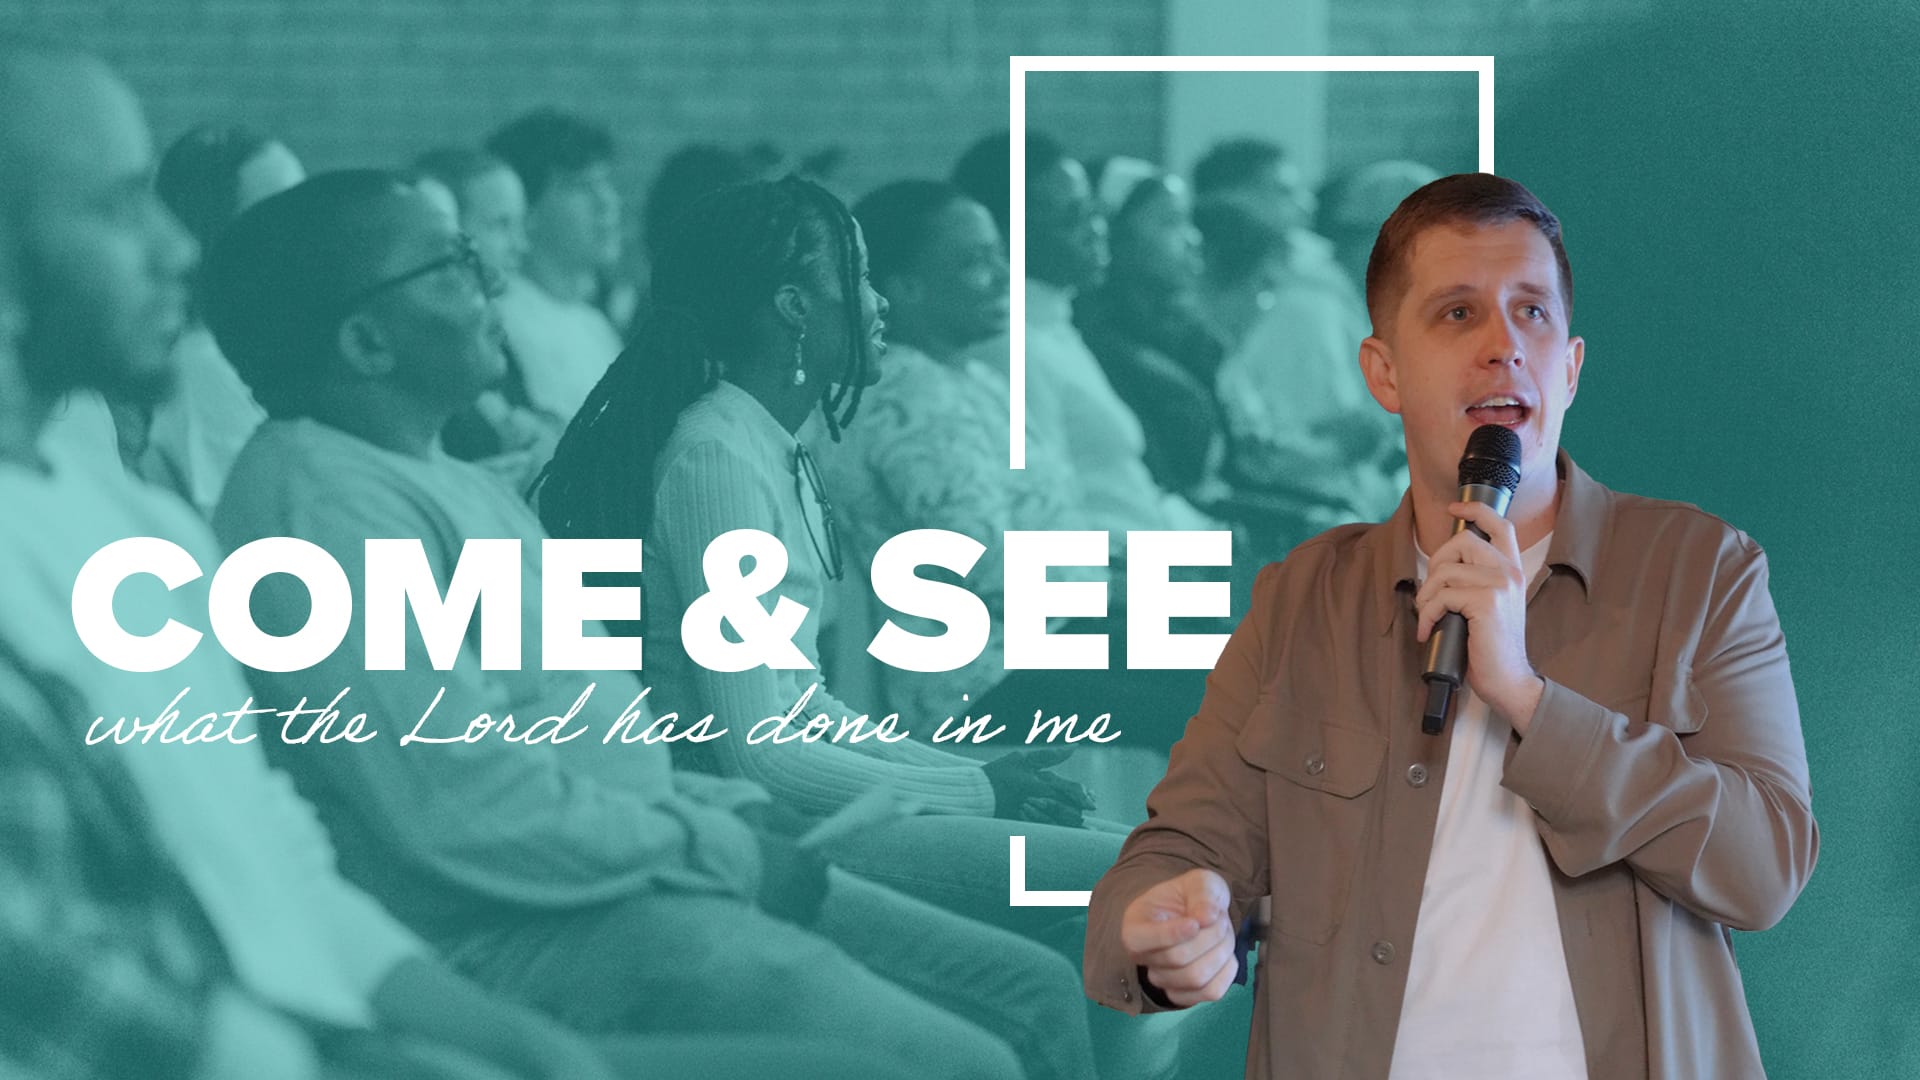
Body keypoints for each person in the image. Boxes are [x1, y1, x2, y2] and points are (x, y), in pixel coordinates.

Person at [203, 167, 1091, 1080]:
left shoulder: (450, 481)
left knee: (1039, 980)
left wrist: (724, 816)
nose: (494, 281)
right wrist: (728, 840)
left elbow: (590, 736)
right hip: (531, 924)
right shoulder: (325, 509)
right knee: (994, 1036)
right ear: (365, 340)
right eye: (453, 266)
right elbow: (466, 807)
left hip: (640, 860)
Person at [1084, 174, 1817, 1078]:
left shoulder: (1699, 571)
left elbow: (1764, 867)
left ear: (1570, 368)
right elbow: (1178, 850)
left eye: (1532, 313)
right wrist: (1161, 924)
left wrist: (1529, 698)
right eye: (1458, 313)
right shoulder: (1304, 598)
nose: (1503, 345)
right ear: (1384, 373)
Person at [0, 38, 625, 1080]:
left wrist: (504, 1038)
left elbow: (269, 854)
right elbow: (65, 985)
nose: (180, 249)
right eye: (117, 207)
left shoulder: (135, 521)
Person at [134, 122, 299, 515]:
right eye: (280, 214)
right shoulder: (203, 369)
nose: (305, 231)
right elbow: (253, 526)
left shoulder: (259, 354)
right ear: (214, 236)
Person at [413, 145, 562, 486]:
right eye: (501, 225)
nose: (521, 245)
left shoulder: (495, 335)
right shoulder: (425, 358)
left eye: (520, 224)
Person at [485, 109, 629, 423]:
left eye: (604, 182)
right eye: (580, 186)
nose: (606, 202)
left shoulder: (594, 323)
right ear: (527, 210)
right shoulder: (499, 324)